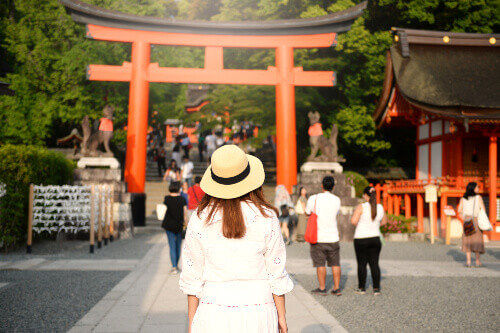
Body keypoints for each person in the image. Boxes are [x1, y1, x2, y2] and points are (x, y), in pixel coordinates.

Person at [179, 145, 293, 333]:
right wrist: (281, 316)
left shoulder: (200, 218)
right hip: (259, 309)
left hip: (213, 309)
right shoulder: (267, 217)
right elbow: (276, 272)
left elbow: (193, 275)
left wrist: (192, 321)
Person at [305, 176, 342, 296]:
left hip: (318, 237)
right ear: (333, 187)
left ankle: (322, 288)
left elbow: (307, 212)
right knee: (335, 263)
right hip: (333, 237)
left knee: (320, 264)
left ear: (322, 185)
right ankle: (336, 288)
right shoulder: (337, 200)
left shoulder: (313, 198)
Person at [350, 186, 387, 296]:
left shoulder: (361, 207)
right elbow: (384, 222)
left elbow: (353, 221)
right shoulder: (380, 207)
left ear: (366, 196)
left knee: (362, 264)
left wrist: (362, 225)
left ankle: (362, 288)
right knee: (374, 263)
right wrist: (374, 226)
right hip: (375, 237)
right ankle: (376, 288)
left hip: (361, 238)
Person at [457, 182, 486, 267]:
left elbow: (459, 211)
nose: (478, 188)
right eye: (477, 187)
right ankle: (477, 262)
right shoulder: (478, 198)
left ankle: (468, 262)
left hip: (467, 221)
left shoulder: (463, 199)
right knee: (477, 241)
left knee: (467, 241)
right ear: (473, 188)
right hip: (475, 220)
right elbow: (483, 210)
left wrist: (465, 219)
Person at [162, 182, 188, 274]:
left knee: (172, 246)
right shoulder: (182, 199)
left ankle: (174, 267)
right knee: (178, 246)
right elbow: (185, 214)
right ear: (178, 189)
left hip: (168, 225)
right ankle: (176, 266)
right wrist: (186, 224)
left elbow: (163, 210)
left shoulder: (166, 198)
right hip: (179, 225)